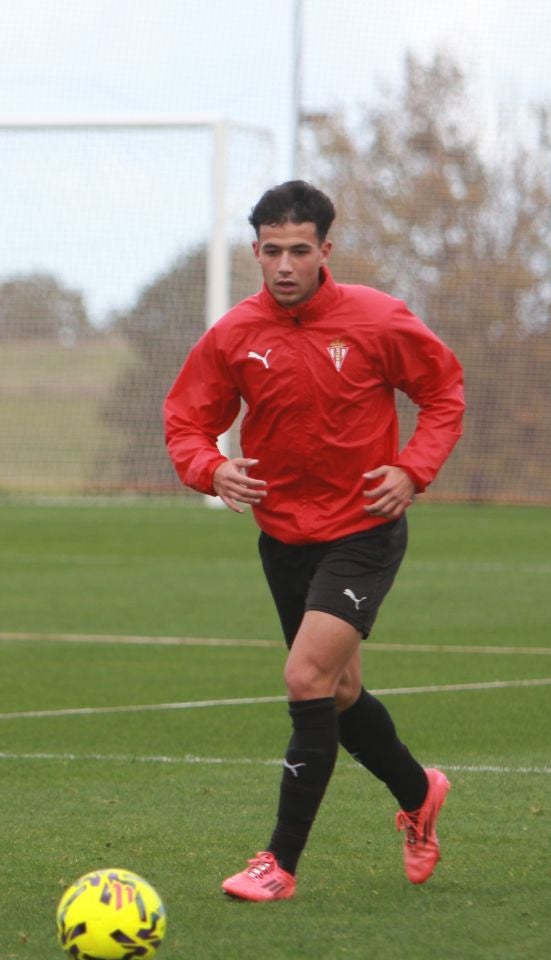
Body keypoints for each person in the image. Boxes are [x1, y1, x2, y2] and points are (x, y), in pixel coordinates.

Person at [163, 180, 465, 901]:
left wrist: (412, 470)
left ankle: (279, 862)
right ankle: (418, 793)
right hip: (283, 539)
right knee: (338, 693)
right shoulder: (235, 334)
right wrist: (212, 468)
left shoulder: (376, 320)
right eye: (273, 252)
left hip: (363, 529)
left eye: (301, 250)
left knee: (305, 679)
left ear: (326, 250)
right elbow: (184, 420)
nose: (287, 265)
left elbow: (444, 394)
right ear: (256, 253)